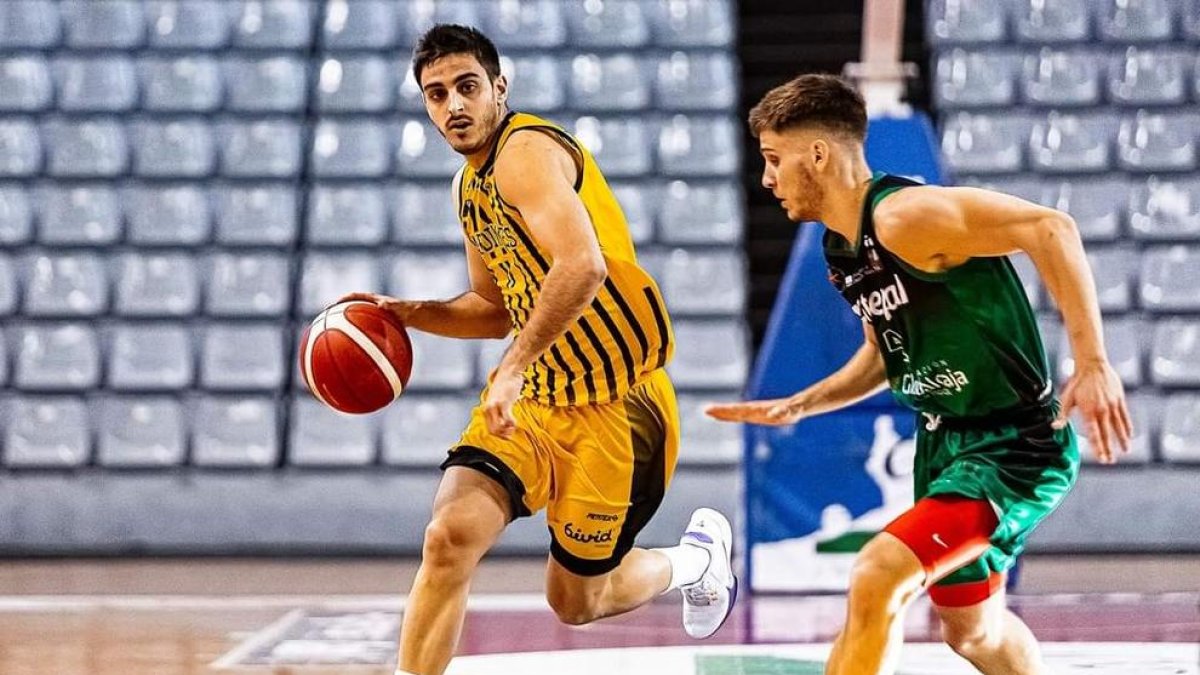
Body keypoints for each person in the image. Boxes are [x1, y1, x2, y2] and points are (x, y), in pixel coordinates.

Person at [339, 25, 736, 675]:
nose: (453, 105)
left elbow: (583, 266)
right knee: (447, 539)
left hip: (617, 408)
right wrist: (412, 313)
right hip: (535, 404)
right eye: (437, 94)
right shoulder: (469, 188)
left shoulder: (525, 151)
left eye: (467, 86)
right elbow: (494, 308)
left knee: (578, 602)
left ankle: (696, 561)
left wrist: (512, 371)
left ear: (499, 87)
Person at [707, 74, 1132, 675]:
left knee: (877, 574)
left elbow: (1051, 229)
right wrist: (801, 404)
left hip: (1014, 443)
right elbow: (885, 355)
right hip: (945, 444)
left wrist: (1092, 363)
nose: (767, 179)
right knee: (974, 633)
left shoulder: (905, 216)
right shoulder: (841, 247)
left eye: (775, 159)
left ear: (818, 155)